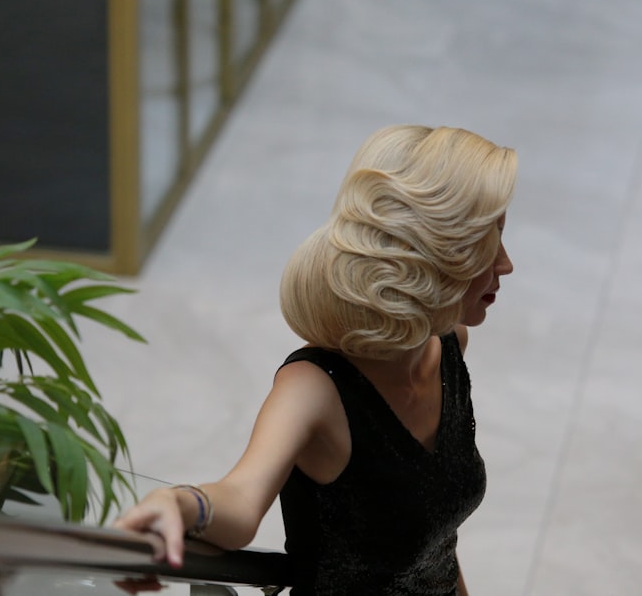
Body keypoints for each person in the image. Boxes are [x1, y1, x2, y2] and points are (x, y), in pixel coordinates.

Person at [113, 125, 517, 595]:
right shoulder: (315, 388)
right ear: (431, 252)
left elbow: (437, 546)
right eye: (489, 242)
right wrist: (178, 504)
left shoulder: (449, 347)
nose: (506, 263)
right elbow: (241, 501)